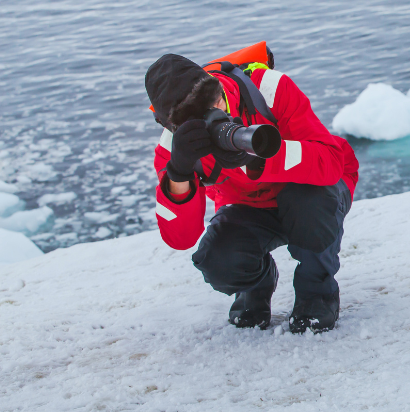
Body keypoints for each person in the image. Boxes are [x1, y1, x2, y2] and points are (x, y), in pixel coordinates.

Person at [145, 48, 359, 333]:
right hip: (250, 207)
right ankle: (257, 284)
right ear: (173, 126)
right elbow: (180, 238)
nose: (220, 114)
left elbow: (330, 163)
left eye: (218, 100)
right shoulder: (174, 147)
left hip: (315, 191)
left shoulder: (268, 89)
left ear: (218, 85)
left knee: (311, 204)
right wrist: (179, 173)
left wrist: (260, 159)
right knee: (218, 260)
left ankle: (317, 293)